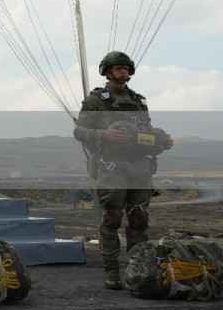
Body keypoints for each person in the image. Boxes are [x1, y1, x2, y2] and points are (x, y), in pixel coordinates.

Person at [73, 50, 173, 290]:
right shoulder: (97, 99)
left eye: (126, 68)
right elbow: (79, 131)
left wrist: (162, 141)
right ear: (107, 72)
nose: (123, 71)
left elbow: (145, 131)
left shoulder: (139, 100)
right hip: (112, 166)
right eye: (118, 68)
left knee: (139, 219)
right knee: (112, 218)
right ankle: (111, 269)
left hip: (140, 167)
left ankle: (138, 266)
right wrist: (103, 134)